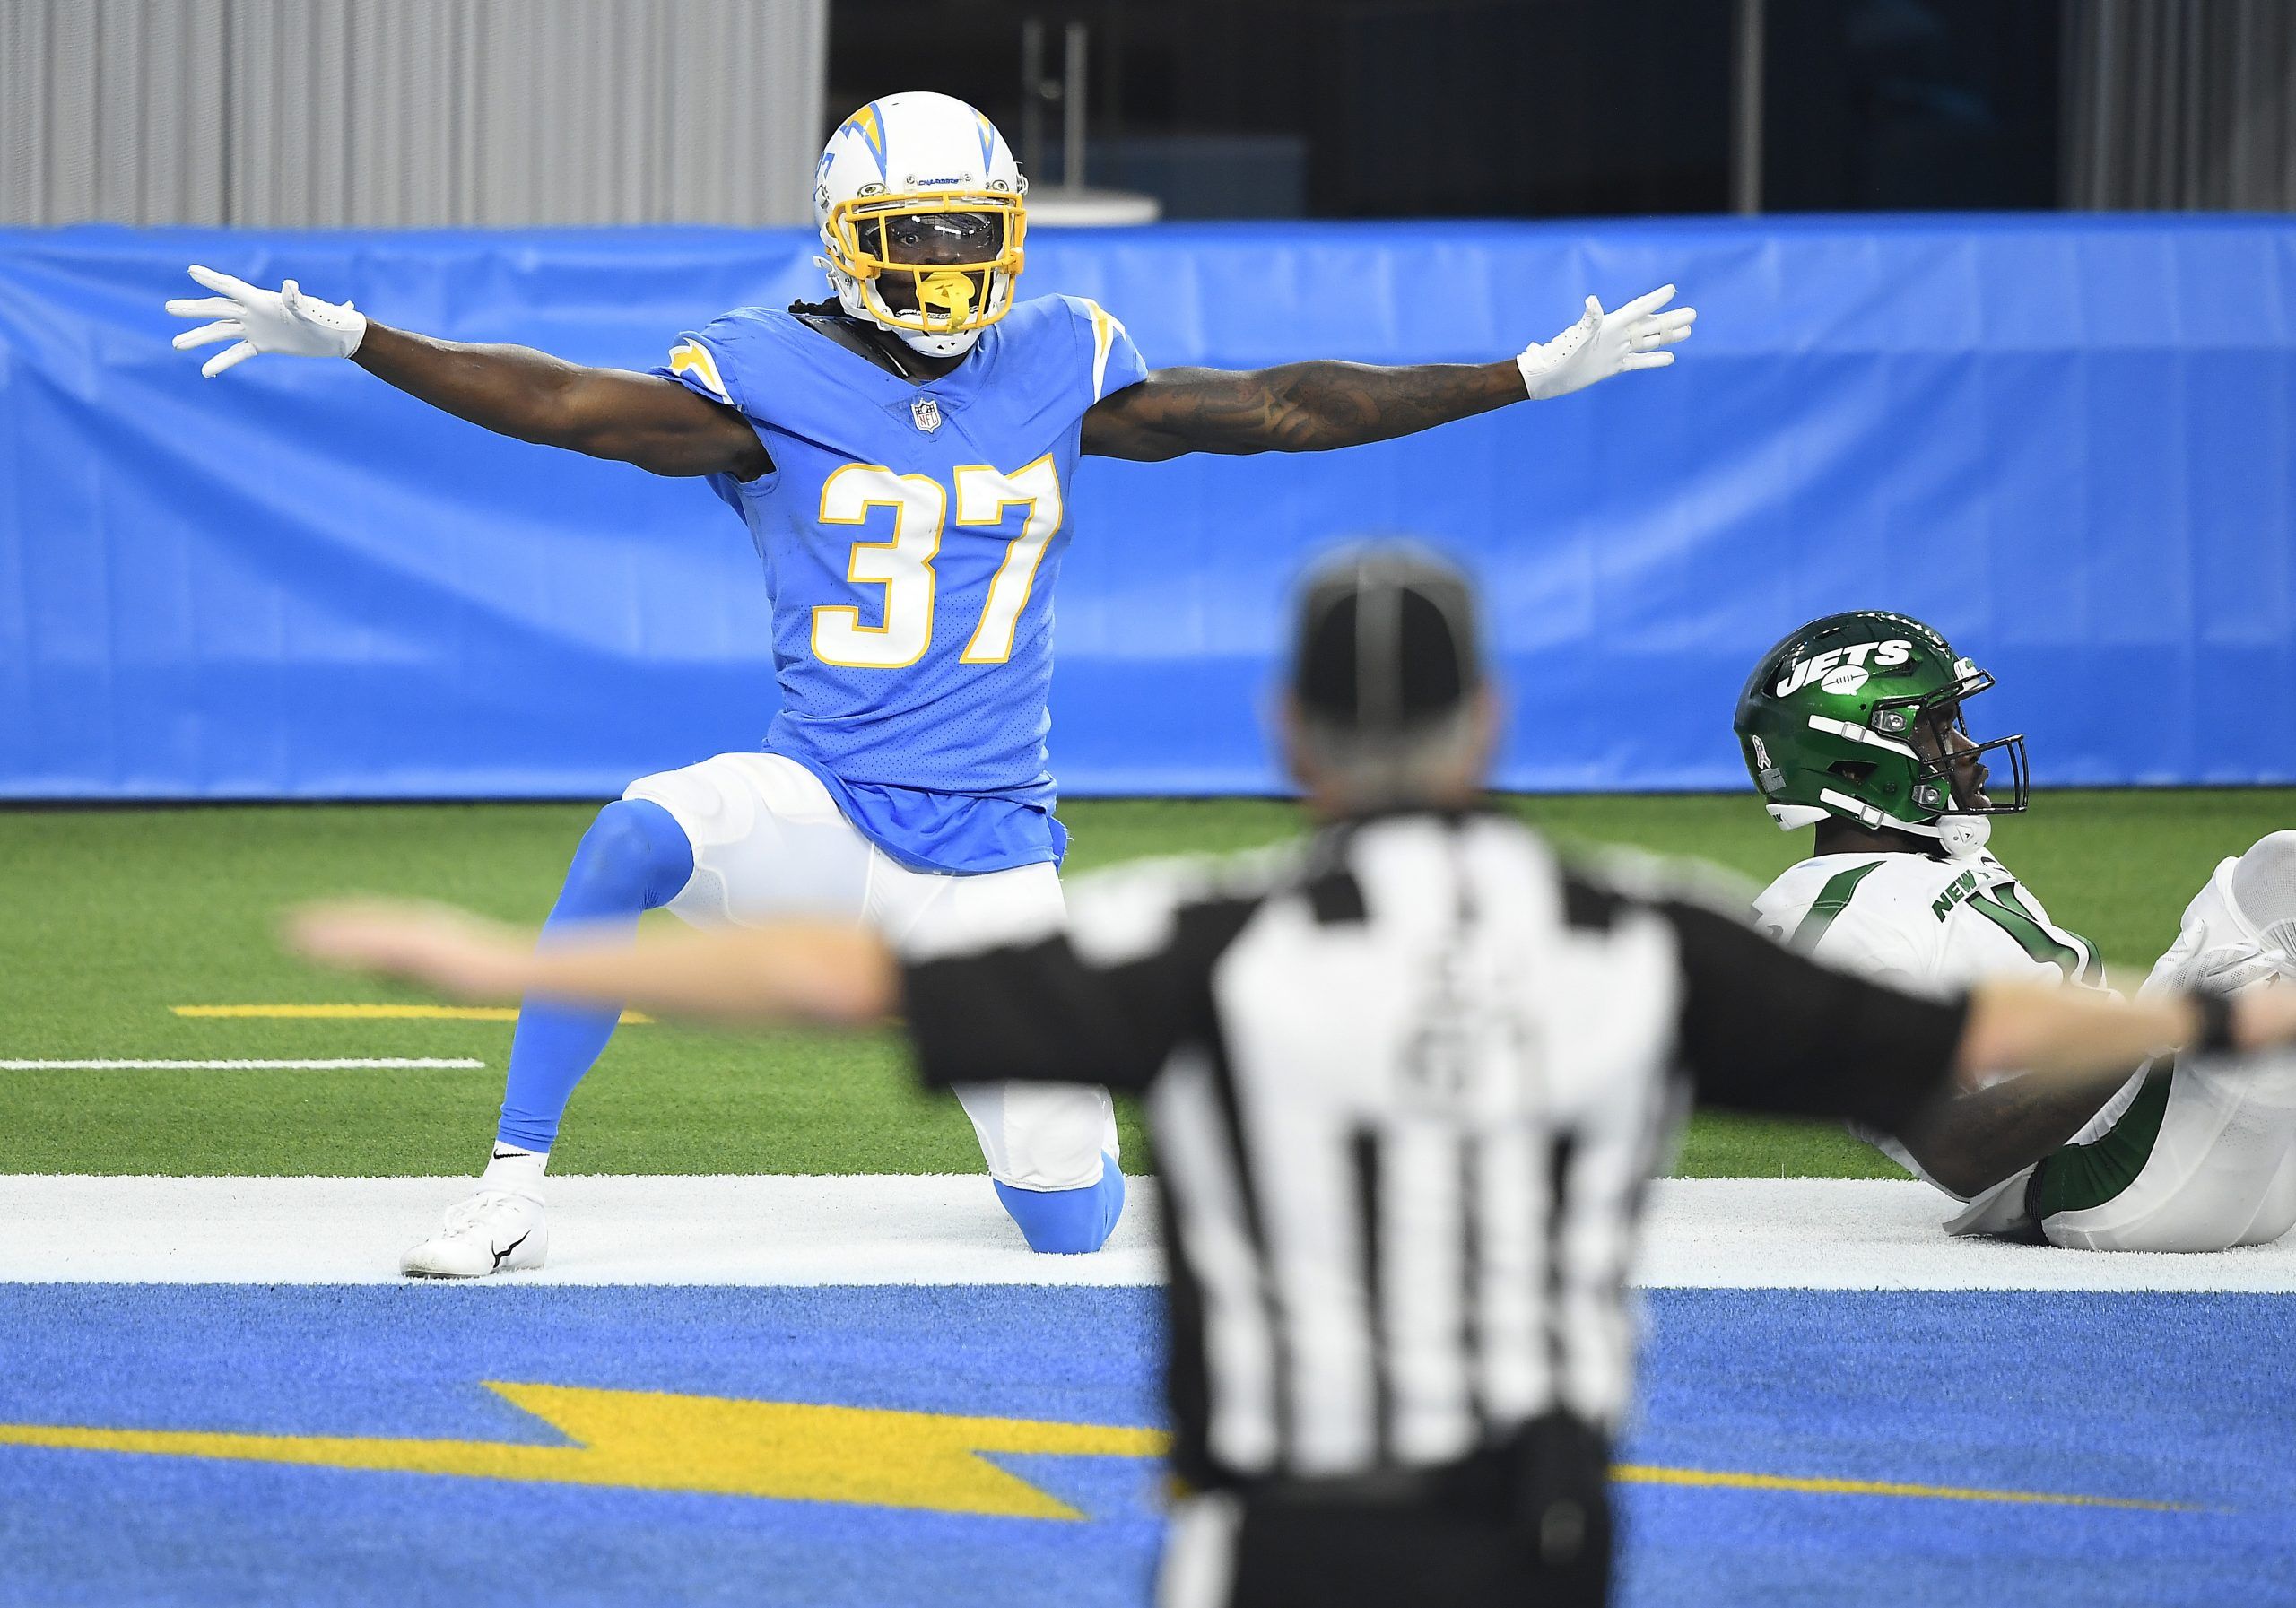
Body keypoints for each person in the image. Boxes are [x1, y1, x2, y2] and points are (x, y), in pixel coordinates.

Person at [288, 546, 2296, 1607]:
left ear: (1289, 730)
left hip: (1265, 1527)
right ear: (1488, 713)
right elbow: (1962, 1056)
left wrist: (507, 955)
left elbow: (858, 979)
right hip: (1539, 1527)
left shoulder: (1214, 935)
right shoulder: (1644, 932)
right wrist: (2209, 1017)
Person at [165, 91, 1698, 1274]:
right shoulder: (766, 377)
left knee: (1073, 1225)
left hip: (993, 859)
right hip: (825, 805)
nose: (958, 264)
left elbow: (1287, 406)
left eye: (979, 232)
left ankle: (1162, 1131)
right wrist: (364, 338)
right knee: (638, 830)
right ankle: (509, 1188)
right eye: (925, 233)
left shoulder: (1053, 364)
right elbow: (565, 404)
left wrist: (1519, 375)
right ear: (849, 234)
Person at [1735, 609, 2296, 1247]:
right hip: (2104, 1177)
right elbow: (1954, 1149)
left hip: (2174, 1141)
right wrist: (2156, 1028)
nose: (1968, 748)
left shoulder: (1936, 852)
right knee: (2280, 875)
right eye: (1938, 728)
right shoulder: (1833, 923)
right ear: (1858, 765)